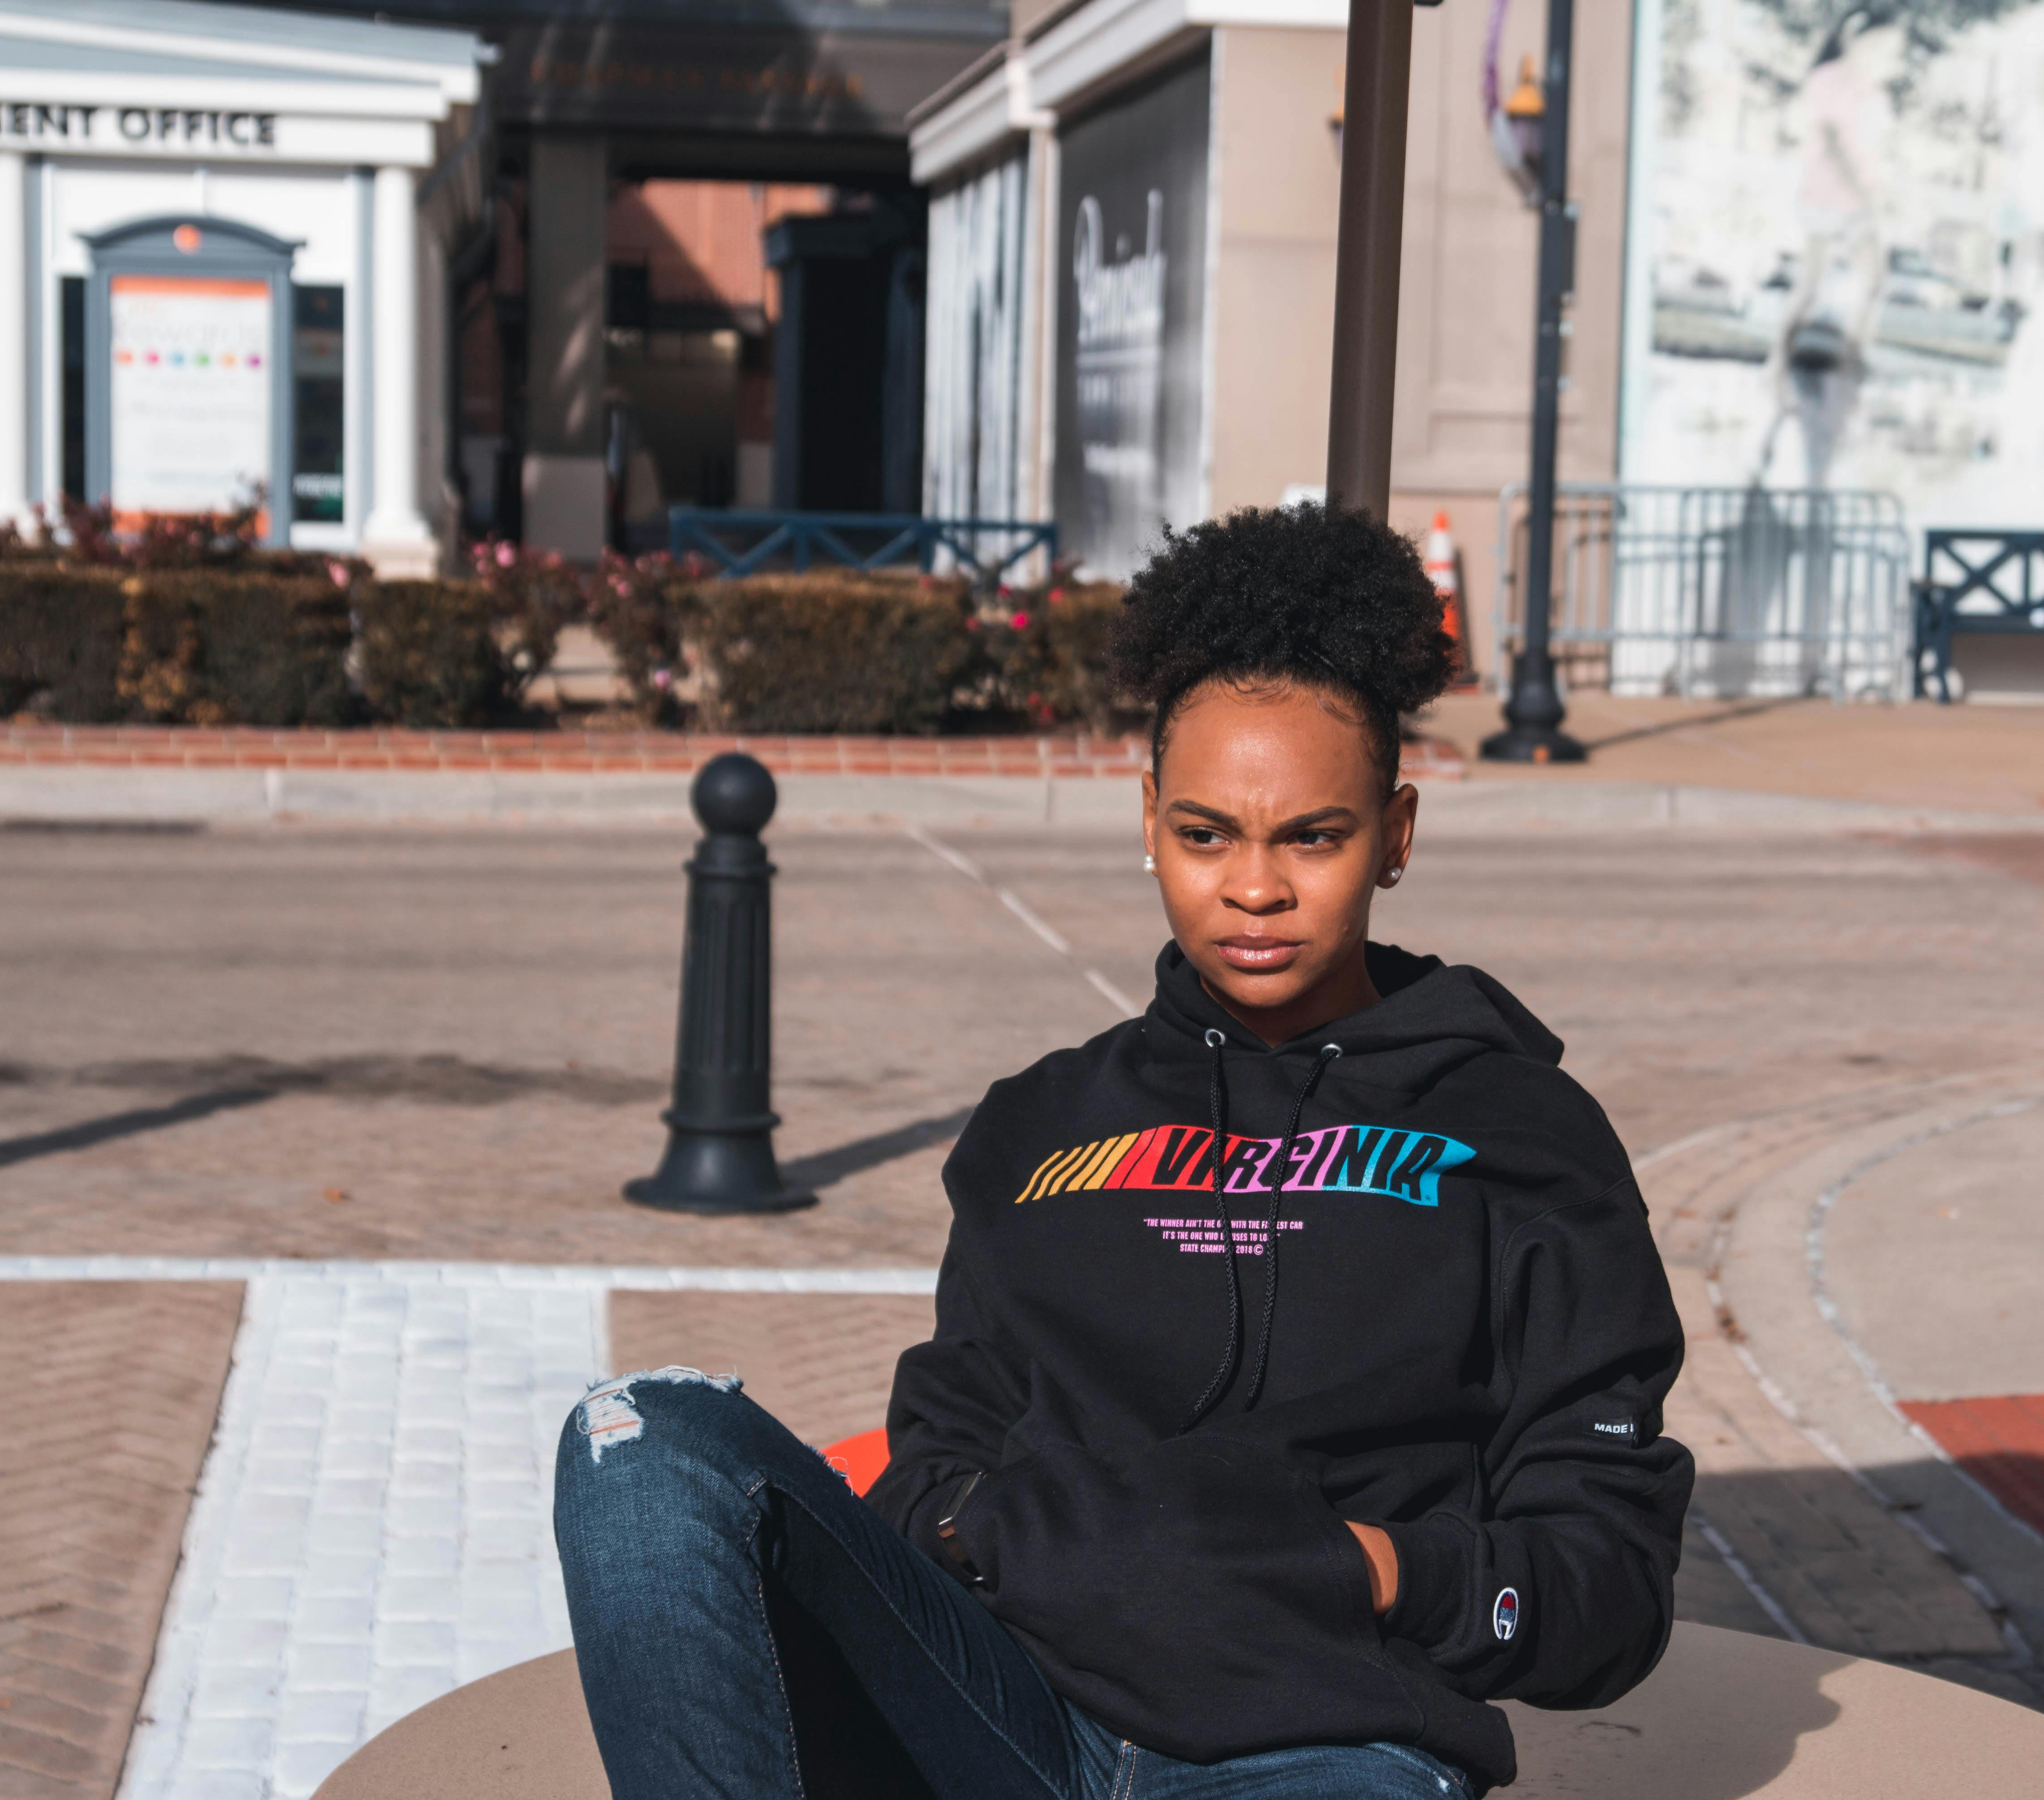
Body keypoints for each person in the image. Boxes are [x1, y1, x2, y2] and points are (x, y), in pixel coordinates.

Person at [554, 504, 1695, 1799]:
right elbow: (936, 1456)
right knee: (642, 1437)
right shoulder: (1040, 1125)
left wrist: (1371, 1568)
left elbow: (1608, 1574)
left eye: (1311, 837)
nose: (1253, 888)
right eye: (1206, 834)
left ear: (1397, 836)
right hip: (1007, 1707)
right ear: (1148, 820)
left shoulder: (1519, 1133)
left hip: (1329, 1743)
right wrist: (1012, 1540)